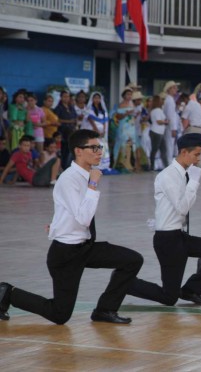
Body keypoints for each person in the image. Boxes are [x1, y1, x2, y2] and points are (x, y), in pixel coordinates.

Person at [0, 130, 144, 324]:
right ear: (78, 151)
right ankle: (7, 293)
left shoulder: (84, 176)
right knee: (60, 315)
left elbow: (69, 211)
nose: (99, 152)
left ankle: (105, 310)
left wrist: (57, 225)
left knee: (132, 260)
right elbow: (84, 217)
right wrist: (93, 184)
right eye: (93, 148)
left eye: (100, 147)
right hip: (66, 254)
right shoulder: (69, 179)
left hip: (85, 246)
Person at [128, 134, 201, 306]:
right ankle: (126, 283)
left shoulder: (183, 174)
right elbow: (182, 207)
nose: (199, 159)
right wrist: (194, 182)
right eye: (196, 155)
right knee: (169, 297)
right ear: (184, 152)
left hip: (180, 236)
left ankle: (191, 290)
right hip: (168, 241)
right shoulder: (168, 175)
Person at [83, 92, 111, 172]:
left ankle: (103, 165)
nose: (97, 100)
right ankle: (94, 165)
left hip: (102, 133)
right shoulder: (89, 109)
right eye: (95, 98)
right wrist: (97, 130)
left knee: (102, 148)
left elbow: (105, 122)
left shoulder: (103, 110)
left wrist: (104, 131)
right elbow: (90, 120)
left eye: (98, 98)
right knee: (94, 147)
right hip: (93, 131)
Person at [54, 90, 78, 169]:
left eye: (67, 96)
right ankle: (63, 166)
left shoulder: (71, 107)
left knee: (70, 150)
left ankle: (68, 166)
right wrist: (69, 121)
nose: (66, 98)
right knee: (63, 150)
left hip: (71, 131)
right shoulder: (58, 108)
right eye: (64, 96)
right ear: (61, 97)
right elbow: (57, 119)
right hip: (63, 132)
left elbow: (75, 117)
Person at [163, 81, 181, 166]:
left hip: (170, 126)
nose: (176, 90)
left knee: (170, 145)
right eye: (174, 88)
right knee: (169, 145)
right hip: (170, 127)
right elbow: (170, 116)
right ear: (169, 89)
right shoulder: (169, 101)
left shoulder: (170, 100)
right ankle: (169, 164)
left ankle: (169, 163)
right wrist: (173, 128)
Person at [149, 95, 169, 171]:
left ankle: (166, 165)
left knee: (161, 149)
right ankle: (152, 166)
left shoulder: (154, 110)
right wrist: (165, 122)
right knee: (156, 149)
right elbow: (158, 121)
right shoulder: (157, 110)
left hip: (158, 132)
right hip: (156, 132)